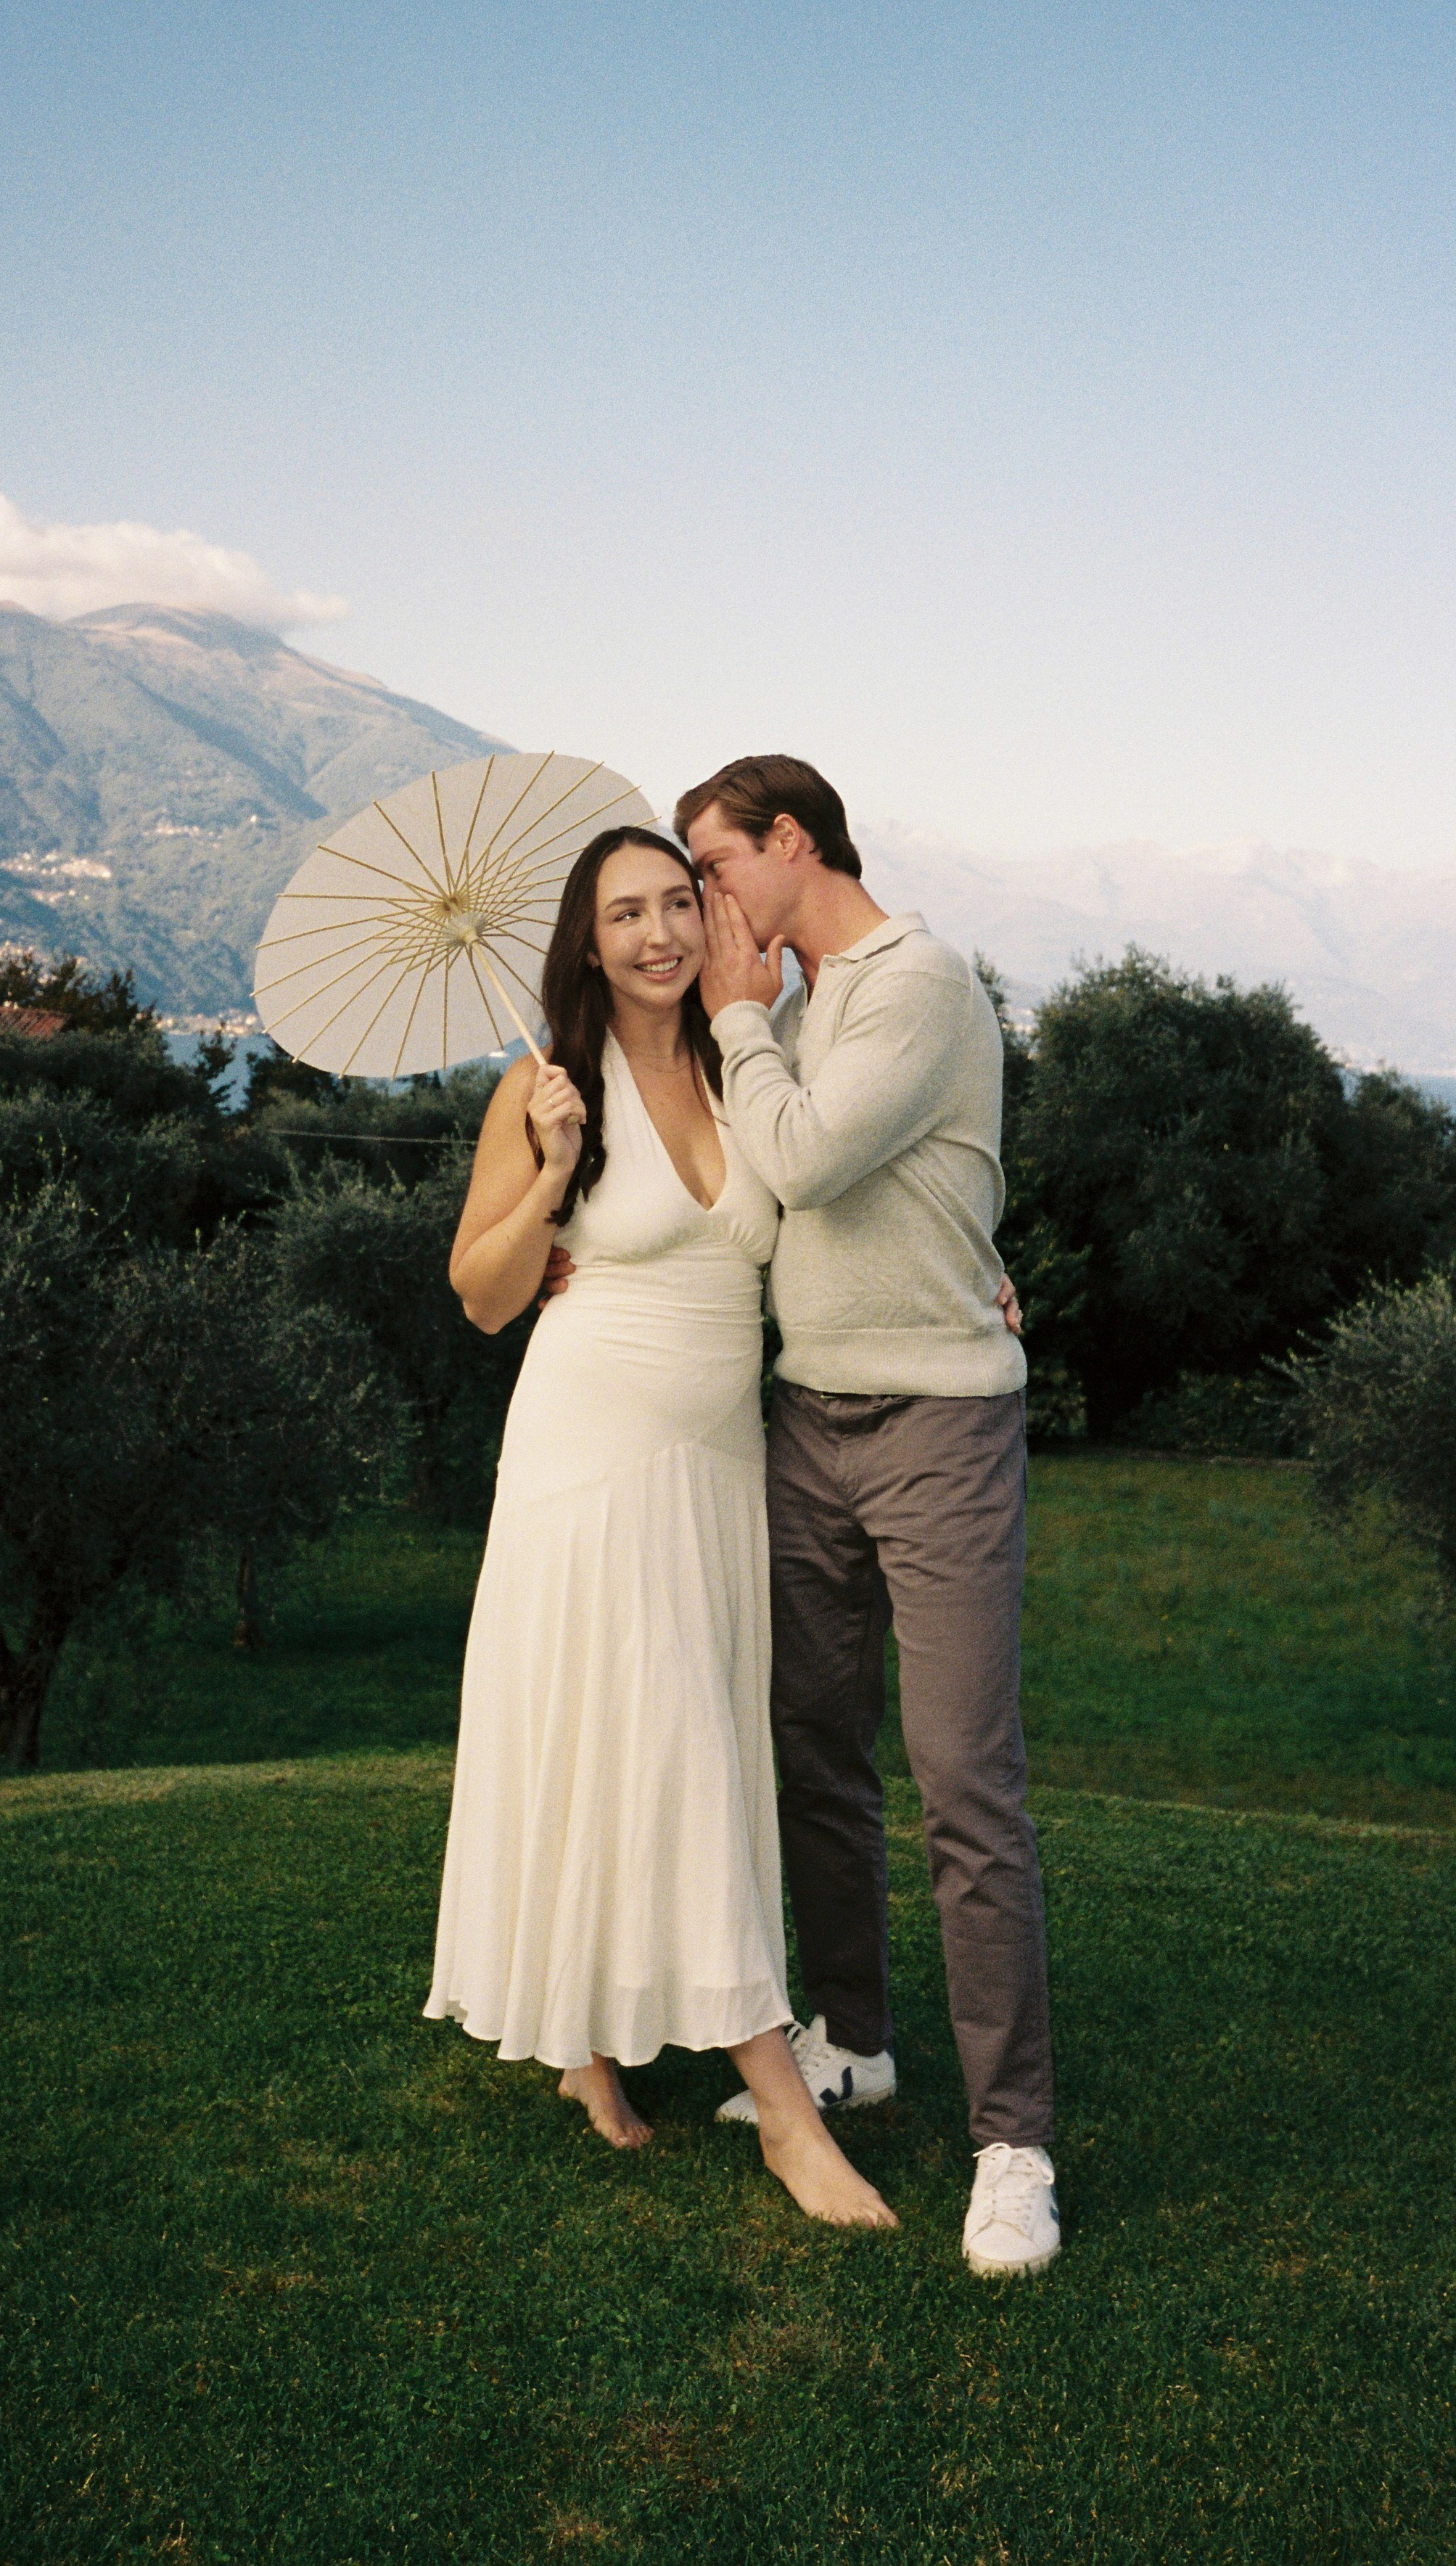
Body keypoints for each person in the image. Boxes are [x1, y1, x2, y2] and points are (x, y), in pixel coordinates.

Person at [424, 823, 896, 2230]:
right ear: (586, 940)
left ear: (708, 917)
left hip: (713, 1467)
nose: (655, 932)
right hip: (588, 1457)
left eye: (676, 902)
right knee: (665, 1733)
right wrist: (555, 1168)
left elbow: (837, 1213)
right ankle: (784, 2110)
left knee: (664, 1741)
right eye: (622, 911)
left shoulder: (751, 1058)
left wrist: (964, 1283)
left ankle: (588, 2046)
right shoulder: (542, 1086)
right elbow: (482, 1295)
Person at [674, 753, 1061, 2279]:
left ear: (788, 842)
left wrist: (728, 1019)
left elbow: (812, 1154)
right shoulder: (794, 1010)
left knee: (964, 1780)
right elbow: (768, 1211)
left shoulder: (914, 980)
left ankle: (1011, 2141)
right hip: (805, 1416)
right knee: (810, 1750)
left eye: (709, 864)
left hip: (939, 1426)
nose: (703, 899)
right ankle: (853, 2037)